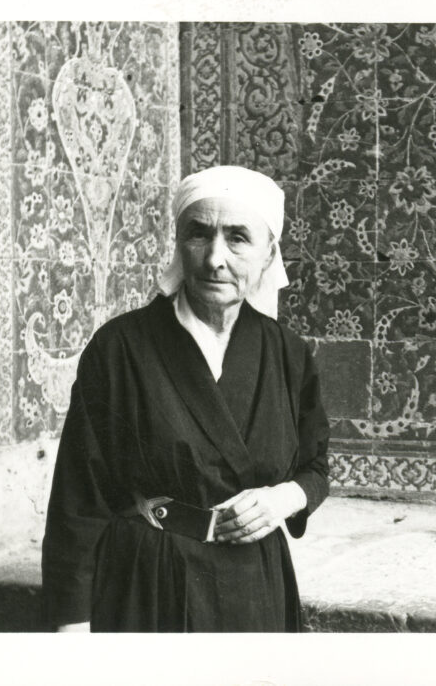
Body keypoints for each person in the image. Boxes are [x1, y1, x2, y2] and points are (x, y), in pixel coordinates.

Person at [42, 165, 330, 632]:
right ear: (178, 242)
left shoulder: (288, 353)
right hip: (151, 580)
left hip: (256, 586)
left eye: (238, 238)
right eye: (199, 234)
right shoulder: (120, 348)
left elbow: (315, 467)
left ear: (269, 253)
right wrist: (72, 624)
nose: (215, 257)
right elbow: (79, 500)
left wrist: (285, 498)